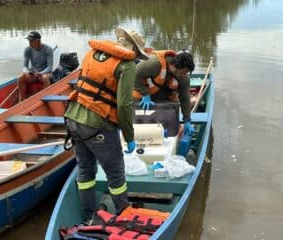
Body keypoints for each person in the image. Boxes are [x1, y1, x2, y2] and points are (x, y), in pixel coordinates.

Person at [64, 27, 149, 221]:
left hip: (73, 118)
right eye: (138, 55)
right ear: (134, 50)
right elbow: (125, 105)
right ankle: (123, 214)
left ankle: (89, 214)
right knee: (116, 173)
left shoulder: (93, 52)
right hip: (97, 126)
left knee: (85, 170)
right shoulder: (127, 65)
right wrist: (129, 137)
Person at [133, 50, 196, 135]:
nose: (184, 76)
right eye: (182, 73)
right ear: (173, 66)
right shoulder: (155, 64)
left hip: (163, 100)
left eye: (186, 73)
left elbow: (185, 99)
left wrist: (187, 120)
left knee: (166, 126)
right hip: (144, 96)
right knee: (140, 123)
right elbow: (135, 73)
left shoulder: (184, 78)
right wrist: (144, 94)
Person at [17, 31, 53, 101]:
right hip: (33, 73)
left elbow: (50, 67)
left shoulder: (48, 49)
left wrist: (41, 73)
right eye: (29, 41)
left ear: (38, 41)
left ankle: (47, 100)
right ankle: (22, 101)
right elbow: (25, 66)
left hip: (45, 73)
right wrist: (26, 72)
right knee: (20, 78)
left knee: (45, 78)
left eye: (31, 41)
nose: (30, 43)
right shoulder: (27, 50)